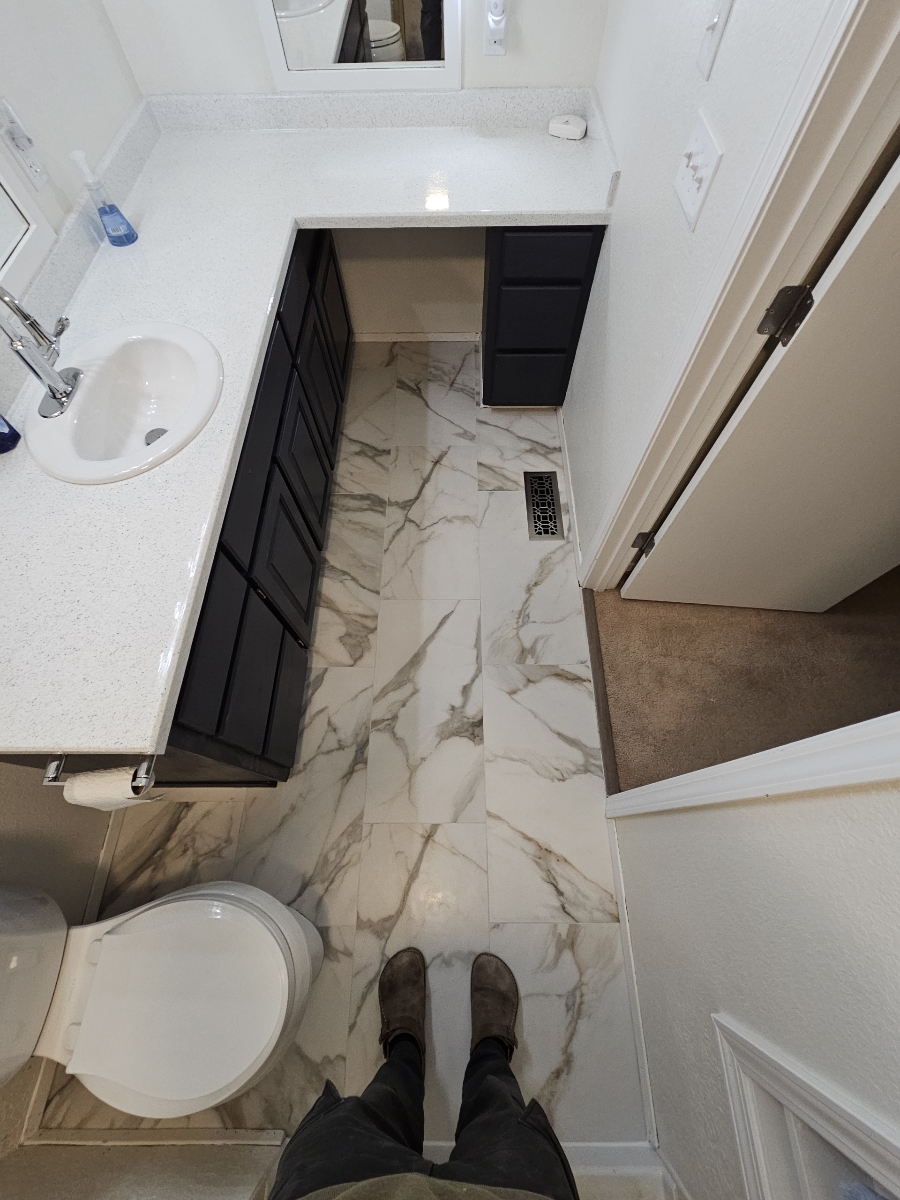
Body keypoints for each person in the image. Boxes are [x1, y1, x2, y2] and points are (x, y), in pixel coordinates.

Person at [270, 949, 580, 1200]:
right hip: (510, 1191)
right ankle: (491, 1047)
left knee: (381, 1100)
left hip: (341, 1188)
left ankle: (405, 1047)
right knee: (499, 1106)